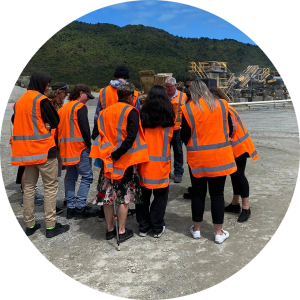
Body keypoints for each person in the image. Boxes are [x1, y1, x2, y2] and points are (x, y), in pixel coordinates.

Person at [11, 71, 70, 238]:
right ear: (39, 84)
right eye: (46, 84)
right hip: (44, 151)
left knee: (29, 187)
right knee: (50, 187)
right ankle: (50, 226)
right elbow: (56, 121)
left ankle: (29, 224)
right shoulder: (40, 100)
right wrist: (46, 125)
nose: (47, 87)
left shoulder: (20, 102)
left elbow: (16, 121)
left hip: (26, 153)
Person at [90, 82, 149, 243]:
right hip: (124, 161)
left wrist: (109, 153)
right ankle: (121, 231)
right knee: (123, 197)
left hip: (107, 161)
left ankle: (109, 229)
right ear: (130, 97)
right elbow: (131, 138)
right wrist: (117, 154)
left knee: (108, 195)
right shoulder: (132, 111)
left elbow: (96, 134)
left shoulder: (104, 112)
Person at [180, 79, 237, 244]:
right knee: (217, 195)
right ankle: (218, 233)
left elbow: (184, 134)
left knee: (198, 194)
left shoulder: (188, 108)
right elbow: (232, 128)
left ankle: (196, 230)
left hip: (198, 159)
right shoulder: (223, 104)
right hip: (220, 158)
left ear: (192, 92)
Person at [93, 65, 140, 222]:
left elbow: (97, 123)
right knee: (122, 194)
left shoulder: (103, 94)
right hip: (124, 154)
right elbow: (134, 132)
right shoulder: (131, 108)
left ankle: (109, 226)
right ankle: (121, 227)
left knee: (107, 190)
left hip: (107, 152)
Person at [209, 87, 259, 222]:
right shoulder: (226, 108)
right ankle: (235, 204)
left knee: (239, 176)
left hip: (239, 148)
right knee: (235, 175)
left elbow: (232, 129)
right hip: (236, 148)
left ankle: (246, 208)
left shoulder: (224, 110)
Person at [136, 85, 175, 238]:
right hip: (161, 164)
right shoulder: (169, 118)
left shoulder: (142, 116)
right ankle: (157, 227)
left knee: (142, 197)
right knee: (160, 196)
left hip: (143, 163)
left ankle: (143, 227)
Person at [57, 84, 99, 219]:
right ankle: (80, 208)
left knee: (71, 177)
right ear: (81, 93)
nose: (88, 100)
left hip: (66, 149)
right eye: (87, 96)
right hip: (80, 148)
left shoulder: (63, 109)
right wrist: (89, 145)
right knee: (86, 177)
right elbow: (85, 129)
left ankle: (71, 208)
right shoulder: (79, 107)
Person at [46, 82, 71, 214]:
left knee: (54, 177)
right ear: (58, 92)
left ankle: (55, 204)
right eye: (65, 92)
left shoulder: (58, 104)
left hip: (56, 144)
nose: (67, 94)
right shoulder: (49, 104)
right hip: (51, 145)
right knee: (52, 178)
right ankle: (51, 207)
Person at [164, 76, 187, 183]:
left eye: (169, 87)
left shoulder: (183, 96)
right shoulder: (163, 96)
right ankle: (166, 172)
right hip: (165, 129)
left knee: (178, 152)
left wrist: (184, 126)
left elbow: (188, 113)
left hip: (178, 129)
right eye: (166, 87)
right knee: (165, 152)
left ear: (175, 85)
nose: (167, 89)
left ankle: (178, 172)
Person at [182, 74, 197, 199]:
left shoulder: (196, 103)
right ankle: (195, 188)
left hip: (197, 142)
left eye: (189, 86)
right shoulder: (188, 99)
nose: (187, 89)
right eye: (186, 86)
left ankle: (196, 190)